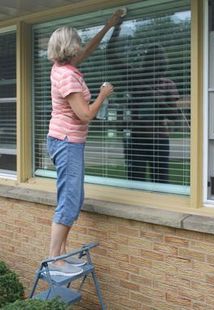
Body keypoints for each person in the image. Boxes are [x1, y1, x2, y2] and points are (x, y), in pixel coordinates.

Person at [46, 9, 124, 276]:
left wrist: (108, 26)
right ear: (70, 46)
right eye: (77, 41)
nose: (80, 45)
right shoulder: (67, 75)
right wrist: (103, 94)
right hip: (67, 142)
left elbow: (87, 51)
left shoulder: (63, 67)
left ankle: (62, 255)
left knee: (73, 198)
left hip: (66, 141)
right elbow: (85, 114)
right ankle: (54, 259)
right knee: (70, 201)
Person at [107, 23, 179, 183]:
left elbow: (174, 115)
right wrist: (116, 28)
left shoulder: (167, 84)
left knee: (161, 183)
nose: (154, 64)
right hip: (136, 139)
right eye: (151, 59)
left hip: (159, 141)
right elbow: (111, 56)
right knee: (135, 182)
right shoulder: (135, 77)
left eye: (158, 60)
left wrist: (153, 97)